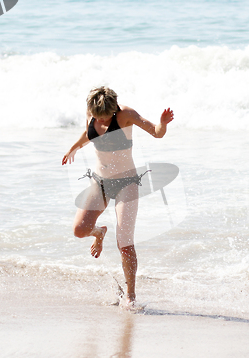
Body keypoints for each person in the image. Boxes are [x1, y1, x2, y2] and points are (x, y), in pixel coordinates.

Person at [62, 86, 174, 308]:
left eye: (105, 116)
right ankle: (99, 232)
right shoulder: (92, 113)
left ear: (113, 110)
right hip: (99, 182)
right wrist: (74, 148)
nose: (100, 120)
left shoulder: (126, 115)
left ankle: (130, 295)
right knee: (79, 230)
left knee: (124, 243)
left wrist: (163, 123)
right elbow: (89, 133)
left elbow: (157, 132)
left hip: (126, 184)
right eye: (96, 116)